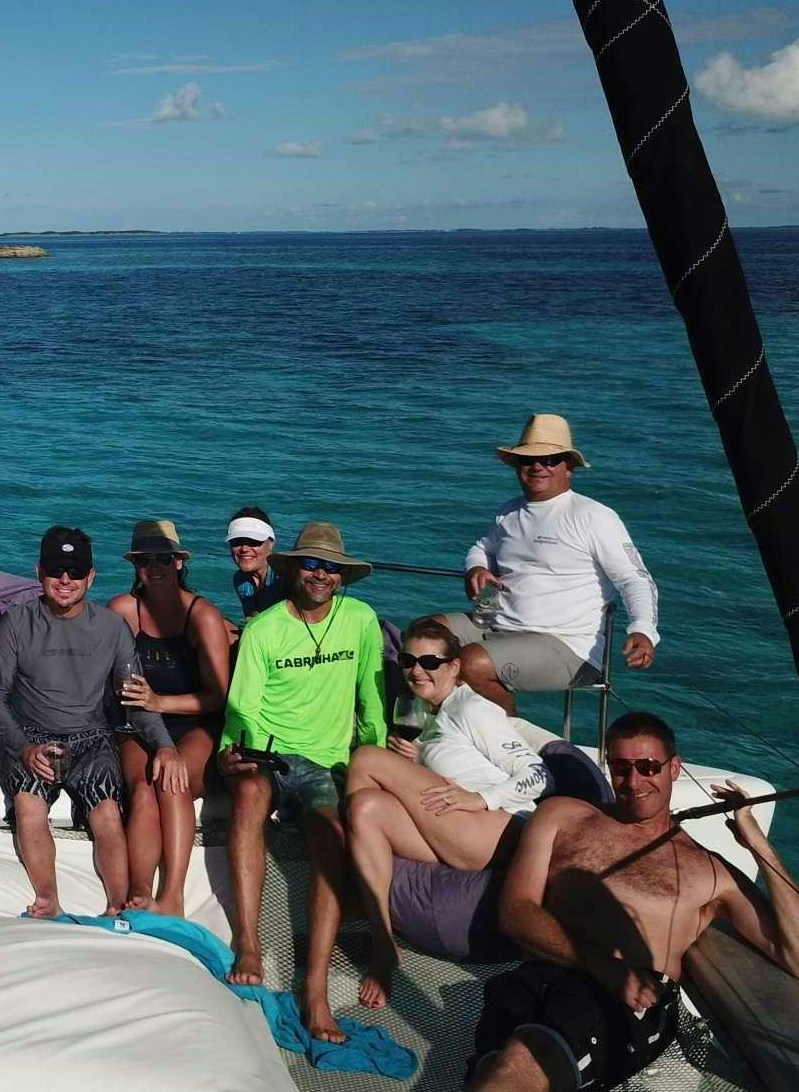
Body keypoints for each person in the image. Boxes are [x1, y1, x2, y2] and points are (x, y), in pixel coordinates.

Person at [469, 711, 799, 1091]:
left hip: (626, 999)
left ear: (674, 769)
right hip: (540, 976)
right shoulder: (561, 816)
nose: (634, 781)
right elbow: (516, 912)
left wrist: (758, 845)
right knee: (494, 1071)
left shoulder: (709, 871)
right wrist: (600, 964)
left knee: (521, 1064)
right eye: (621, 768)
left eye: (648, 767)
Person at [216, 521, 387, 1043]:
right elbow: (243, 705)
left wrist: (373, 761)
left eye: (330, 567)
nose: (320, 573)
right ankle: (248, 940)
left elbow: (373, 698)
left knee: (329, 834)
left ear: (342, 576)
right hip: (267, 749)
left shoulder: (361, 620)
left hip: (328, 760)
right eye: (311, 564)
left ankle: (313, 988)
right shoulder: (266, 628)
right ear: (293, 569)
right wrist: (232, 751)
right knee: (247, 797)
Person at [346, 616, 553, 1008]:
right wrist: (420, 756)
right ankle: (384, 940)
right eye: (408, 661)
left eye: (430, 663)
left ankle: (349, 887)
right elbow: (461, 766)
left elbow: (541, 775)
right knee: (365, 808)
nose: (416, 671)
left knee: (367, 758)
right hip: (459, 833)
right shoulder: (435, 715)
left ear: (455, 667)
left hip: (498, 833)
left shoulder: (473, 709)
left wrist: (481, 799)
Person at [0, 526, 187, 918]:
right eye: (57, 570)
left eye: (76, 572)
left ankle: (117, 905)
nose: (65, 581)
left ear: (91, 577)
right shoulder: (15, 623)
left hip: (91, 737)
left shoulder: (112, 628)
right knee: (28, 805)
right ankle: (48, 898)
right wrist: (23, 749)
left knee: (107, 809)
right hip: (31, 735)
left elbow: (135, 698)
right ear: (39, 571)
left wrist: (164, 745)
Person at [432, 415, 660, 714]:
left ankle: (507, 740)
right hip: (497, 625)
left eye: (550, 459)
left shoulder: (594, 516)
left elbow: (635, 579)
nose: (538, 466)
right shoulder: (509, 512)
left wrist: (642, 629)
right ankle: (432, 731)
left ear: (569, 467)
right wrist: (477, 567)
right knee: (426, 635)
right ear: (517, 466)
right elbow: (481, 548)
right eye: (529, 459)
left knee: (473, 662)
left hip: (568, 645)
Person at [107, 518, 230, 915]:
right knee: (142, 788)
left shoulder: (202, 615)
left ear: (178, 562)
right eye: (145, 559)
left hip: (193, 721)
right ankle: (141, 889)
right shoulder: (123, 610)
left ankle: (172, 894)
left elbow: (218, 697)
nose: (154, 566)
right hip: (138, 723)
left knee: (171, 782)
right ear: (135, 566)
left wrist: (161, 703)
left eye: (163, 558)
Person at [228, 506, 283, 623]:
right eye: (236, 542)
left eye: (254, 541)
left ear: (271, 544)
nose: (244, 549)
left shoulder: (284, 579)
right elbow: (251, 618)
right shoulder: (240, 579)